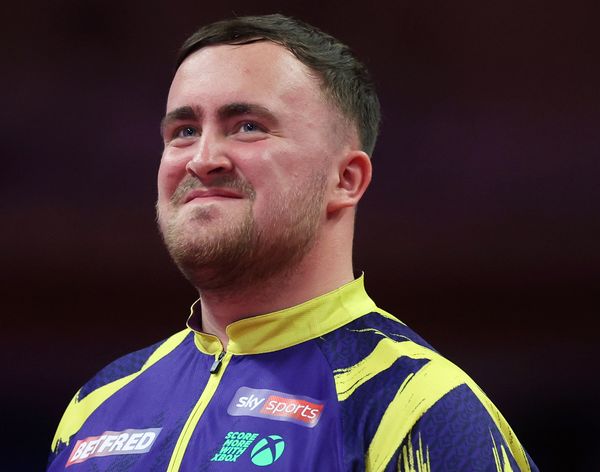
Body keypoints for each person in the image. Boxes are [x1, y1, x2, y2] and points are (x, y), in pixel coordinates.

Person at [47, 14, 538, 471]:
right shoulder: (98, 403)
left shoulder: (414, 404)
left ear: (345, 179)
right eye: (185, 130)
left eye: (247, 126)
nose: (203, 158)